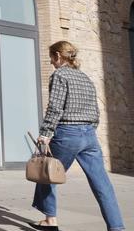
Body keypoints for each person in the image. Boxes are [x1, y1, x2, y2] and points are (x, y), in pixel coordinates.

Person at [30, 41, 125, 231]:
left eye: (51, 57)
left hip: (67, 134)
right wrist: (90, 128)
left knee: (47, 173)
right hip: (89, 134)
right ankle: (117, 227)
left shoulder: (59, 75)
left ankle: (50, 220)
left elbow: (55, 108)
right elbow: (96, 109)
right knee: (102, 183)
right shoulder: (85, 77)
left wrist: (45, 134)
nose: (51, 62)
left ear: (58, 55)